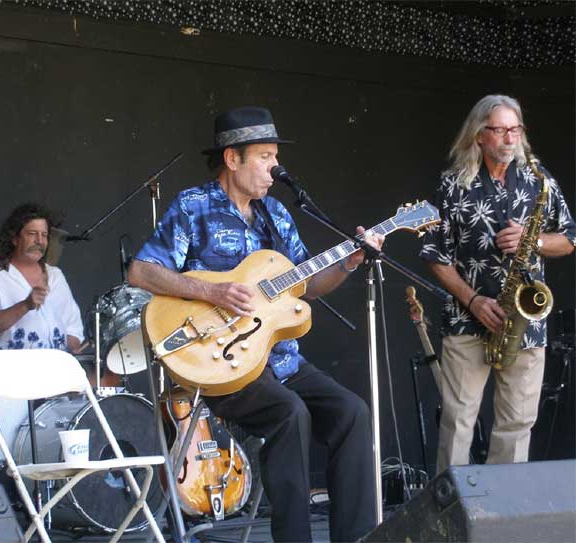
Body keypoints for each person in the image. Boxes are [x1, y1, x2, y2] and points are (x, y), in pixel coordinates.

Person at [129, 106, 383, 542]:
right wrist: (211, 292)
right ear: (232, 159)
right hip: (219, 363)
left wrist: (349, 262)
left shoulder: (276, 215)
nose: (275, 167)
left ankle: (358, 538)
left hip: (277, 358)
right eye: (265, 156)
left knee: (352, 412)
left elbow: (306, 283)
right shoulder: (194, 206)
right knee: (290, 413)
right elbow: (141, 272)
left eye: (274, 157)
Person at [420, 95, 576, 474]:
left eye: (516, 129)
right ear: (479, 136)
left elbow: (569, 238)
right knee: (458, 423)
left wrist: (533, 241)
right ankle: (449, 520)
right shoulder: (452, 185)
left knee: (517, 425)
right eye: (501, 130)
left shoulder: (540, 182)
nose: (510, 138)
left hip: (524, 321)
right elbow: (434, 255)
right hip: (467, 318)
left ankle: (502, 519)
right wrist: (473, 301)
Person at [0, 203, 84, 352]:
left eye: (44, 235)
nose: (40, 241)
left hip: (55, 369)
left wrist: (72, 353)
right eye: (32, 234)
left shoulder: (56, 276)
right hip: (10, 369)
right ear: (14, 238)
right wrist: (25, 305)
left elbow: (73, 329)